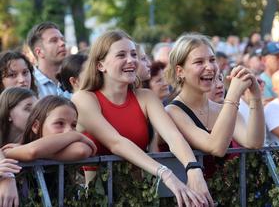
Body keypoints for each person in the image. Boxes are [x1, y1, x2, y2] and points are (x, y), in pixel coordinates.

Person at [72, 29, 213, 207]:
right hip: (96, 198)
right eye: (121, 55)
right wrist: (165, 173)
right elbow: (116, 142)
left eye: (133, 54)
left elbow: (173, 136)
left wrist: (194, 170)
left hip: (137, 196)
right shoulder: (84, 98)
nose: (131, 60)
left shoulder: (146, 97)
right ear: (101, 65)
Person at [164, 33, 264, 160]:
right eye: (199, 62)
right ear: (180, 71)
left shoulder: (223, 109)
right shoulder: (172, 112)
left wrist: (255, 96)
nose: (210, 67)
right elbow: (216, 147)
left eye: (212, 60)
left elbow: (254, 142)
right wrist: (233, 94)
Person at [2, 95, 96, 162]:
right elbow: (32, 151)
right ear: (36, 126)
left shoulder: (20, 149)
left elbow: (81, 150)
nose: (69, 130)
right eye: (59, 123)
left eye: (73, 125)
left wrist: (41, 152)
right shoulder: (10, 149)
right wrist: (77, 135)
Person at [26, 22, 70, 98]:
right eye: (54, 40)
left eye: (62, 39)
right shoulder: (29, 84)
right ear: (39, 52)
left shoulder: (74, 77)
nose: (62, 43)